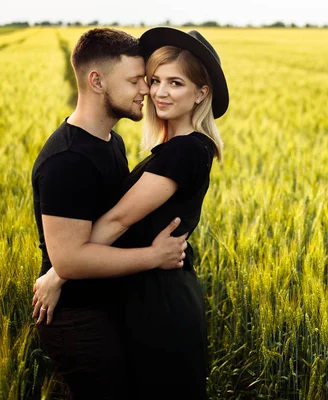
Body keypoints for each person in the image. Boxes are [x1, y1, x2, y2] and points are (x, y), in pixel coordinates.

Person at [33, 27, 229, 399]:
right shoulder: (87, 155)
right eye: (150, 80)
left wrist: (58, 272)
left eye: (174, 83)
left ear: (201, 93)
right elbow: (120, 222)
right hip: (139, 300)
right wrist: (65, 265)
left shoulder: (183, 151)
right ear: (97, 81)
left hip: (162, 302)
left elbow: (120, 220)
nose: (153, 91)